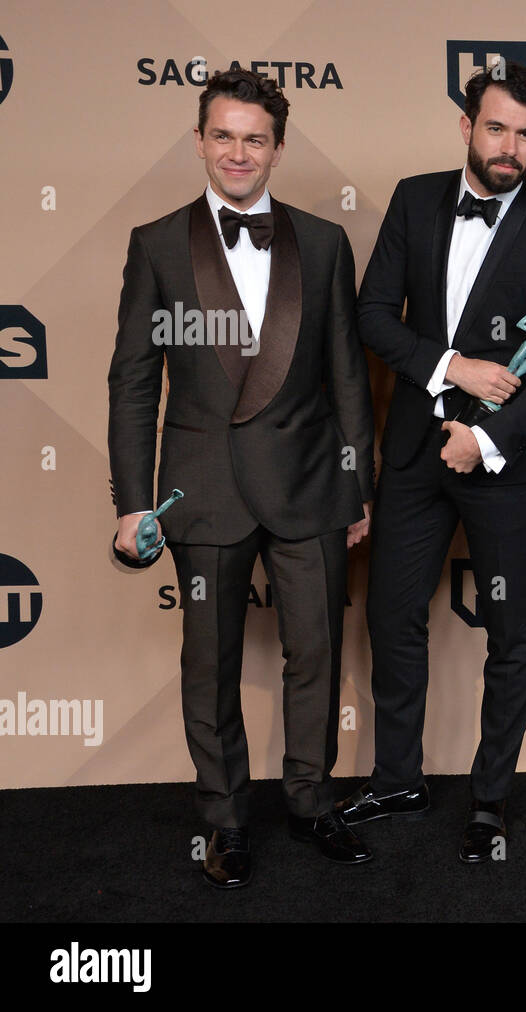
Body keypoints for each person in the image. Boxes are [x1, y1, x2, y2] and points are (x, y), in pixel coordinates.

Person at [108, 67, 376, 889]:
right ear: (199, 141)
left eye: (254, 138)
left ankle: (309, 800)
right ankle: (224, 821)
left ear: (278, 148)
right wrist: (133, 502)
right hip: (202, 488)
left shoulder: (324, 242)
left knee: (316, 656)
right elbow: (133, 381)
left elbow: (348, 375)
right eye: (222, 135)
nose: (237, 151)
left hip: (310, 486)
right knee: (210, 662)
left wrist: (356, 481)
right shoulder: (156, 243)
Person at [338, 60, 526, 863]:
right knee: (391, 615)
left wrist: (485, 434)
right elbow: (374, 315)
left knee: (511, 630)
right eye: (496, 127)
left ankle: (490, 800)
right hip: (414, 454)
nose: (509, 146)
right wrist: (452, 370)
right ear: (466, 127)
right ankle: (398, 776)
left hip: (503, 467)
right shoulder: (414, 199)